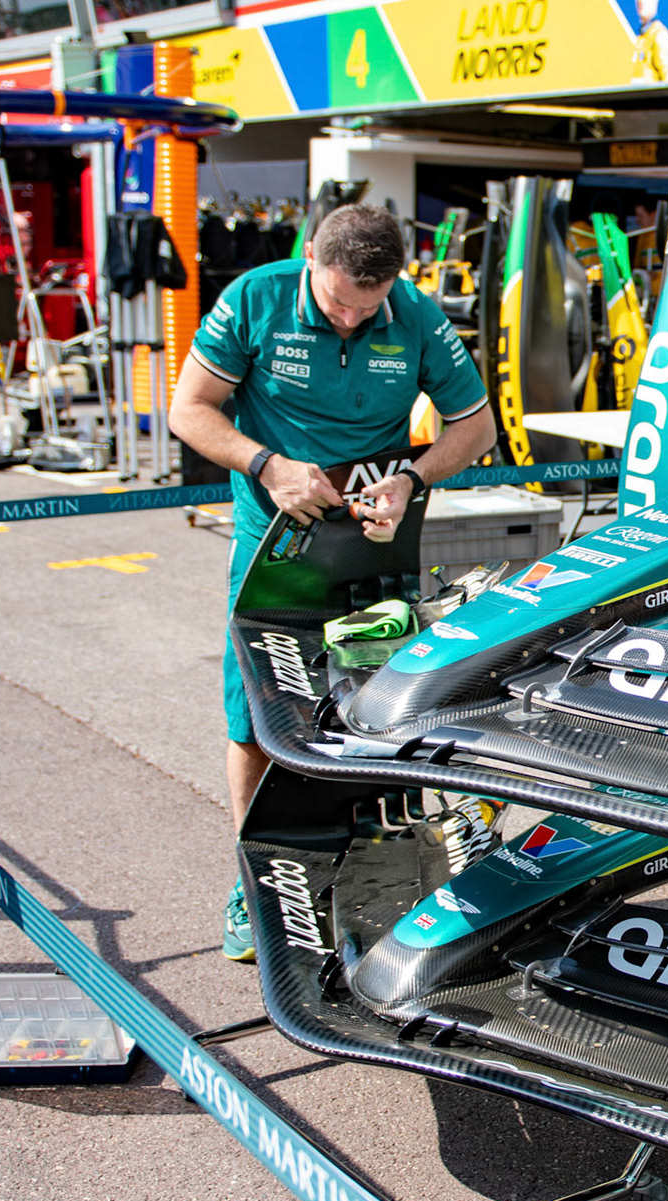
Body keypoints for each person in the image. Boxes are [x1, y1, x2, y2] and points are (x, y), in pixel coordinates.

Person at [171, 203, 496, 962]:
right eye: (338, 300)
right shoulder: (255, 297)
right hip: (274, 546)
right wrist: (267, 465)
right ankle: (253, 886)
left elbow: (474, 426)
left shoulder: (412, 314)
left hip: (375, 540)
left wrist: (412, 477)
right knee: (256, 718)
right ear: (311, 255)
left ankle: (374, 872)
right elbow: (189, 409)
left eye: (368, 305)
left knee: (380, 710)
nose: (351, 317)